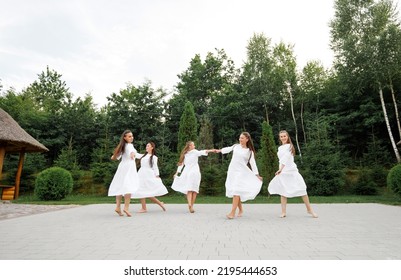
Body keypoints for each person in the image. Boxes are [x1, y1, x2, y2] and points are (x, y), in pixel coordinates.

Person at [268, 130, 318, 218]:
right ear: (279, 138)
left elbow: (286, 158)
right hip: (283, 172)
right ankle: (283, 212)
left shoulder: (290, 146)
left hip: (291, 171)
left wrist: (280, 169)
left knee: (302, 189)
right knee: (283, 192)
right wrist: (281, 170)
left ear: (287, 137)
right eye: (281, 136)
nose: (283, 138)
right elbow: (281, 159)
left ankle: (309, 210)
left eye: (284, 136)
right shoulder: (280, 148)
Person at [216, 132, 263, 219]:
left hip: (241, 173)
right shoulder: (236, 146)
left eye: (242, 138)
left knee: (236, 191)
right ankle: (241, 210)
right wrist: (219, 150)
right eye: (240, 138)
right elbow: (228, 149)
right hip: (232, 171)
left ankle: (232, 213)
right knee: (235, 191)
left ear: (247, 139)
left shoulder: (249, 152)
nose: (240, 139)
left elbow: (253, 164)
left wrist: (257, 175)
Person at [171, 141, 215, 213]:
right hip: (195, 173)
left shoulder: (185, 154)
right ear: (190, 147)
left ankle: (189, 204)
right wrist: (211, 150)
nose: (194, 146)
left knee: (189, 189)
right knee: (194, 190)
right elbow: (202, 152)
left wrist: (176, 173)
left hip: (187, 173)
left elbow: (181, 165)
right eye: (193, 145)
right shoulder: (194, 152)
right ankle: (191, 206)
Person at [108, 130, 139, 217]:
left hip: (122, 168)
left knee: (120, 186)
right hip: (129, 168)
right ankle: (126, 208)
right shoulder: (129, 145)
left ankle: (118, 207)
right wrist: (132, 154)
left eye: (132, 136)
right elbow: (132, 152)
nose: (131, 137)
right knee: (128, 187)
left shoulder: (123, 146)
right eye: (129, 136)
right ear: (124, 138)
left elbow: (114, 157)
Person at [133, 142, 168, 213]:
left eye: (148, 146)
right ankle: (144, 208)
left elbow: (155, 167)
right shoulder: (143, 156)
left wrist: (157, 175)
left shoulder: (154, 157)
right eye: (146, 146)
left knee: (148, 193)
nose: (146, 147)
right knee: (140, 191)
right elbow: (135, 154)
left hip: (148, 174)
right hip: (141, 174)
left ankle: (159, 204)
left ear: (152, 147)